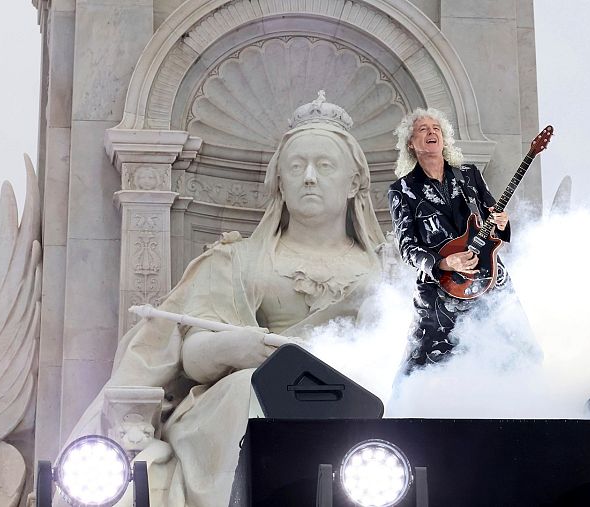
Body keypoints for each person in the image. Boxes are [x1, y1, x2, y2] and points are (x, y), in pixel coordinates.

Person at [64, 94, 386, 507]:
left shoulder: (386, 269)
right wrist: (235, 348)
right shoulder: (236, 260)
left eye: (324, 166)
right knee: (250, 388)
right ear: (280, 182)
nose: (309, 177)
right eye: (296, 166)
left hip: (366, 400)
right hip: (249, 395)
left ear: (354, 182)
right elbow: (192, 355)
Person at [387, 108, 514, 374]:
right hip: (440, 288)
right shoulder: (402, 190)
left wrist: (501, 222)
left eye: (436, 128)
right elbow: (408, 248)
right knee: (424, 367)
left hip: (488, 276)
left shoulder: (469, 175)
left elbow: (493, 217)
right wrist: (443, 263)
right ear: (411, 143)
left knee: (511, 352)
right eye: (423, 129)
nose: (431, 132)